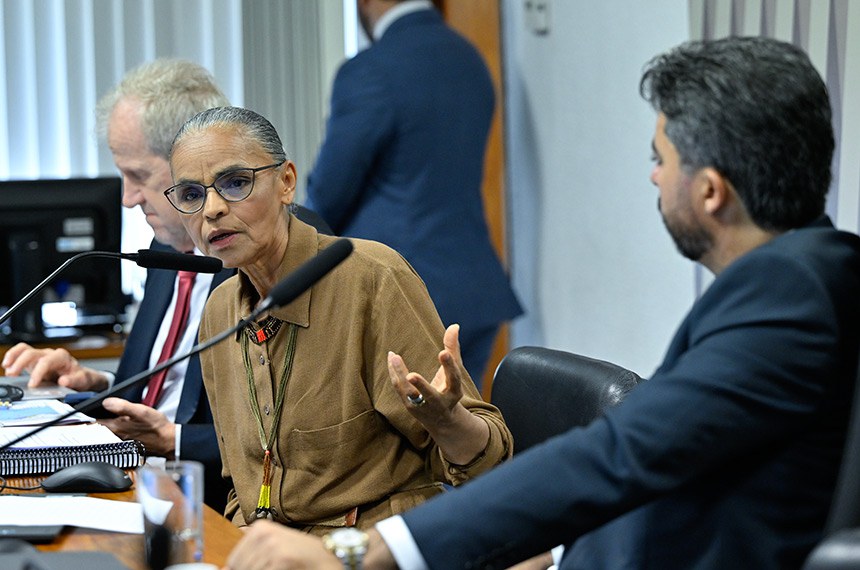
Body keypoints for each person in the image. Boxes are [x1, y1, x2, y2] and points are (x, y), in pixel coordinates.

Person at [223, 36, 860, 570]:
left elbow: (622, 456)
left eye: (659, 158)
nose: (654, 177)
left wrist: (364, 550)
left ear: (712, 191)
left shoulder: (788, 295)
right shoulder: (807, 274)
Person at [165, 106, 512, 534]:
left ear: (286, 182)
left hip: (369, 549)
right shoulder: (220, 311)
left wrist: (448, 422)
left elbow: (490, 463)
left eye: (236, 183)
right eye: (190, 195)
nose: (212, 209)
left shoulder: (371, 278)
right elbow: (242, 482)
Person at [0, 59, 234, 511]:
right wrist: (96, 382)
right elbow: (157, 392)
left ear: (192, 161)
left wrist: (173, 440)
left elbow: (285, 436)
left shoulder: (261, 258)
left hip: (205, 499)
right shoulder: (165, 249)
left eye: (139, 176)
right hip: (132, 473)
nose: (126, 198)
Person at [305, 0, 522, 384]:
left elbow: (329, 192)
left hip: (403, 295)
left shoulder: (371, 70)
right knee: (458, 434)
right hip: (474, 289)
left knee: (398, 440)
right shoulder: (470, 59)